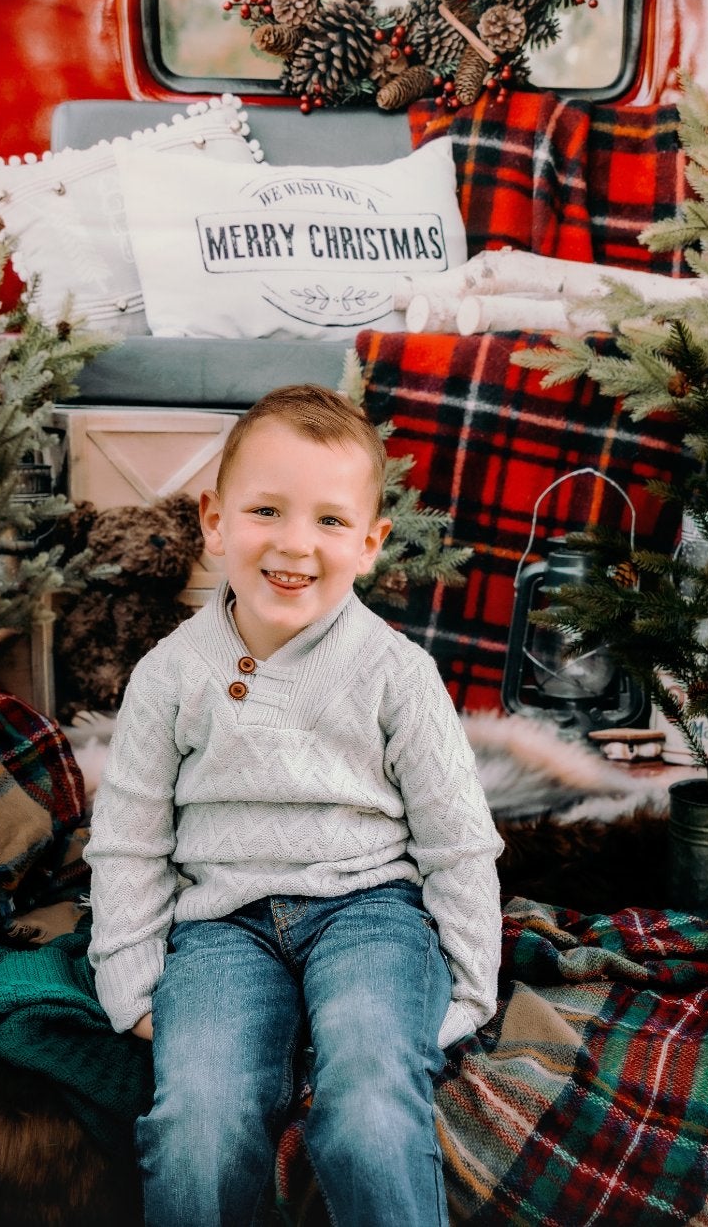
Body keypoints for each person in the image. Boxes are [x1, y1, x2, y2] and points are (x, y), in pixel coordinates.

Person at [85, 383, 502, 1227]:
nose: (294, 544)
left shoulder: (397, 674)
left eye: (330, 520)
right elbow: (129, 837)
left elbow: (457, 838)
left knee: (370, 1108)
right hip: (222, 927)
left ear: (371, 543)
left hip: (369, 911)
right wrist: (129, 977)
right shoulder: (169, 675)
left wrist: (469, 982)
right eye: (266, 510)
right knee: (198, 1123)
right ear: (215, 521)